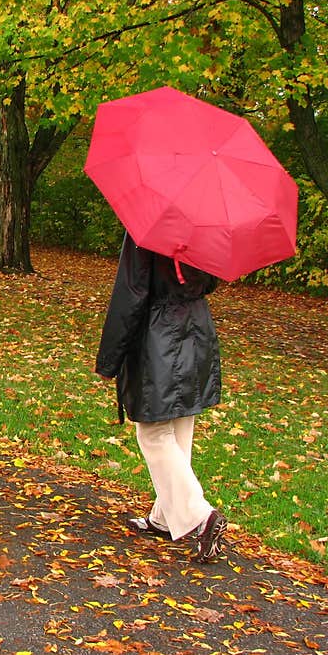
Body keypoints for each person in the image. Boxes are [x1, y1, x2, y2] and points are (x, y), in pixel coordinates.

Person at [95, 230, 227, 563]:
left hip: (160, 332)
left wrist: (109, 359)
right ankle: (166, 518)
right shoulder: (206, 224)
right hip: (197, 326)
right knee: (181, 424)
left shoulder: (149, 228)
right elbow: (211, 280)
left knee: (153, 432)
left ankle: (198, 515)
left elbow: (132, 292)